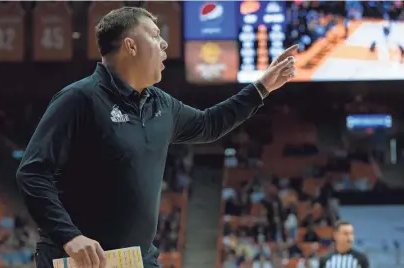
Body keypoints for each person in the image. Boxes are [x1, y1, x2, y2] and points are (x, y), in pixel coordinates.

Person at [15, 6, 297, 268]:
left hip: (137, 258)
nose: (164, 43)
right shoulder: (78, 99)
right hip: (78, 258)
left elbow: (209, 124)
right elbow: (32, 172)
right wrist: (69, 236)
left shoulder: (161, 104)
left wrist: (262, 88)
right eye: (155, 35)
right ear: (130, 45)